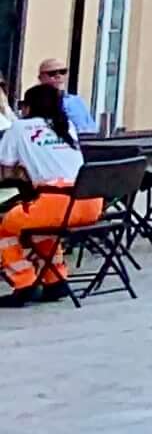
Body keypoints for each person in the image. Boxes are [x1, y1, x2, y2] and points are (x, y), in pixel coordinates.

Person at [0, 84, 86, 301]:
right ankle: (55, 278)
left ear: (28, 107)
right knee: (39, 226)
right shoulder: (66, 126)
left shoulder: (19, 128)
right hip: (89, 203)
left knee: (5, 228)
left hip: (57, 203)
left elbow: (5, 171)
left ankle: (23, 281)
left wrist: (24, 172)